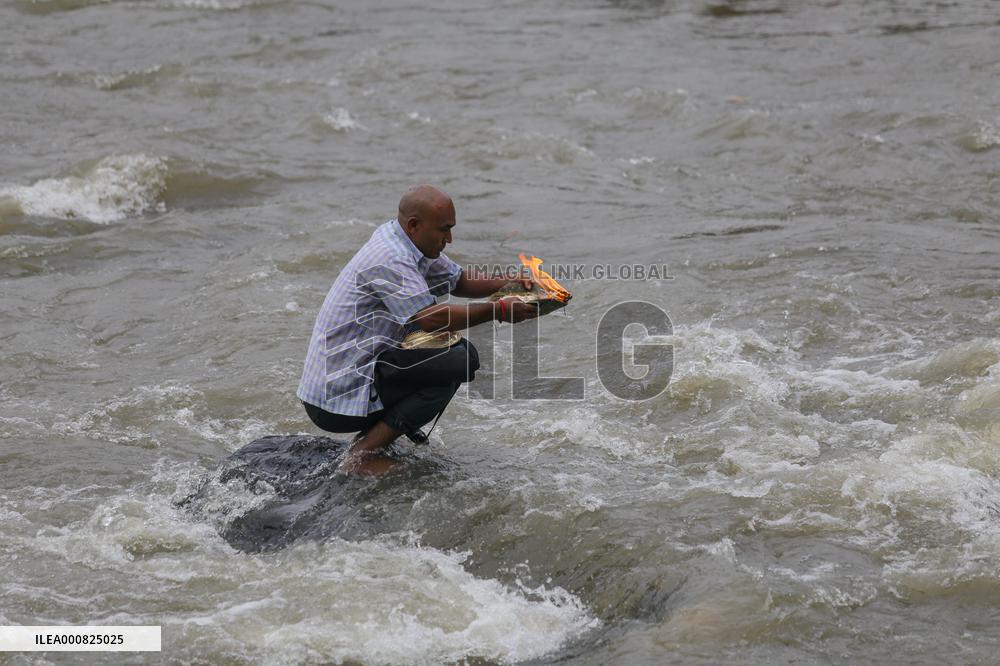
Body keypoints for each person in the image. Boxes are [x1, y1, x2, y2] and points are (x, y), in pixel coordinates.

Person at [297, 185, 538, 475]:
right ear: (414, 225)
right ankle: (363, 456)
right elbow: (430, 319)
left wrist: (507, 283)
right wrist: (498, 310)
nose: (449, 239)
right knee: (458, 360)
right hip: (335, 396)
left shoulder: (408, 241)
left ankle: (374, 442)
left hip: (357, 373)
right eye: (444, 230)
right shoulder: (390, 257)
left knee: (456, 357)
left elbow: (458, 281)